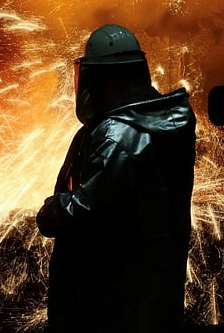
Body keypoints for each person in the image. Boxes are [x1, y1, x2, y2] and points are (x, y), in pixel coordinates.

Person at [36, 23, 197, 332]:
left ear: (99, 78)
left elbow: (91, 207)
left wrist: (53, 211)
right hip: (154, 282)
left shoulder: (118, 132)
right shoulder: (165, 122)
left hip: (113, 291)